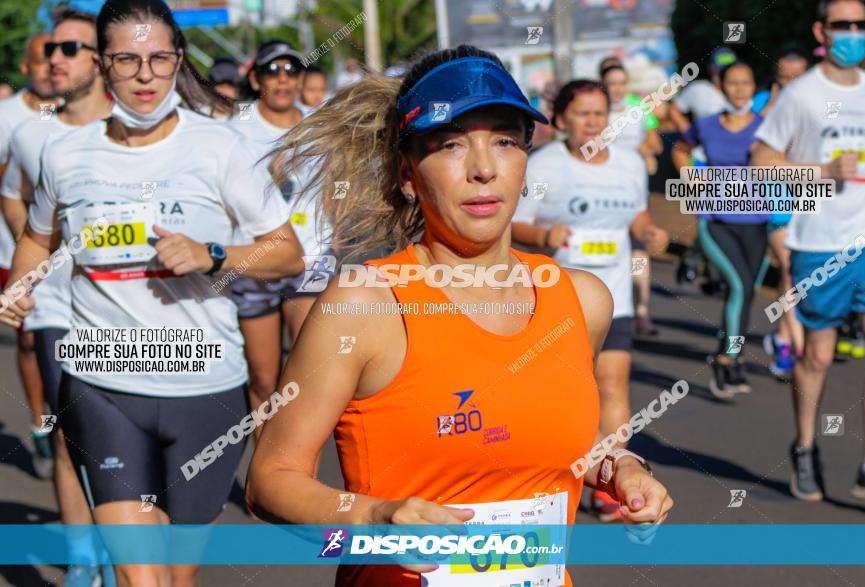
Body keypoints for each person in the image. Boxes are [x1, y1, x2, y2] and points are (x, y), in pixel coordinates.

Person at [247, 46, 673, 586]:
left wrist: (621, 468)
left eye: (503, 140)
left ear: (525, 158)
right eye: (450, 144)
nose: (483, 169)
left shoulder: (582, 298)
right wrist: (372, 518)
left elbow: (550, 437)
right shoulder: (365, 305)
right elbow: (269, 481)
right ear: (407, 171)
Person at [0, 1, 304, 585]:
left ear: (178, 61)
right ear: (103, 66)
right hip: (103, 381)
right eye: (127, 59)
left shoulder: (219, 147)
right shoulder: (63, 154)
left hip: (205, 386)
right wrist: (21, 283)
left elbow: (287, 250)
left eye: (159, 58)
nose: (145, 74)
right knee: (141, 579)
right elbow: (38, 239)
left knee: (177, 576)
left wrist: (213, 255)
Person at [511, 79, 669, 521]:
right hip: (560, 299)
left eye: (600, 113)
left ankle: (610, 481)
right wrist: (544, 235)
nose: (593, 123)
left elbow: (637, 214)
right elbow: (514, 222)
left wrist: (649, 232)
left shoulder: (629, 164)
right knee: (561, 393)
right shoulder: (542, 167)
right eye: (583, 114)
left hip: (614, 293)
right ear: (562, 119)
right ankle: (550, 473)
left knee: (613, 384)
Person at [0, 8, 115, 587]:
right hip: (58, 309)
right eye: (52, 50)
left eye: (71, 48)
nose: (55, 59)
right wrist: (37, 260)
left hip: (130, 311)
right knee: (72, 438)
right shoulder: (28, 130)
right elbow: (14, 199)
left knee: (129, 441)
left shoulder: (136, 123)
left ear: (100, 59)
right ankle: (82, 558)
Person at [751, 0, 865, 503]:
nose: (852, 33)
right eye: (842, 25)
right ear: (822, 30)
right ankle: (805, 446)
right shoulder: (802, 94)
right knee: (819, 358)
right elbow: (762, 161)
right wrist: (823, 173)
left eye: (860, 25)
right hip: (817, 243)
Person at [229, 39, 320, 417]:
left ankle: (297, 469)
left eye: (291, 70)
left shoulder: (320, 124)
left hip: (312, 256)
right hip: (258, 260)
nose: (282, 79)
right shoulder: (236, 129)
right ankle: (264, 470)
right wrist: (264, 174)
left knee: (308, 377)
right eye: (271, 70)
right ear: (255, 77)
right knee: (265, 381)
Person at [672, 62, 767, 399]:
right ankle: (730, 358)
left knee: (746, 291)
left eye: (746, 83)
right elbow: (680, 149)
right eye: (733, 83)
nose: (740, 89)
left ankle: (727, 350)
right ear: (721, 87)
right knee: (740, 287)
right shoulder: (708, 125)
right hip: (715, 221)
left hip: (757, 223)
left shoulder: (766, 127)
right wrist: (691, 178)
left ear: (754, 86)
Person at [0, 31, 58, 480]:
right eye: (41, 59)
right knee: (27, 339)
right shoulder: (6, 118)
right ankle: (42, 424)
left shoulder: (81, 116)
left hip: (75, 258)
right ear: (26, 67)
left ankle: (70, 431)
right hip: (12, 250)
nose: (50, 67)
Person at [756, 44, 810, 379]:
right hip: (775, 198)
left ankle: (780, 336)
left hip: (813, 197)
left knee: (798, 274)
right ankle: (794, 346)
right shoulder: (764, 103)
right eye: (783, 77)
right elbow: (748, 145)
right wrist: (772, 109)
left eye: (797, 78)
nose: (789, 83)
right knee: (788, 264)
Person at [599, 63, 664, 336]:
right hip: (602, 189)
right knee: (605, 250)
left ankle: (642, 312)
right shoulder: (595, 110)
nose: (617, 88)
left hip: (634, 189)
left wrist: (646, 152)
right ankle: (606, 313)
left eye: (621, 82)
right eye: (612, 83)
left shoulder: (639, 107)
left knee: (639, 250)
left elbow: (656, 143)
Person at [669, 48, 736, 134]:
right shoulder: (698, 88)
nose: (724, 76)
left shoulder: (742, 90)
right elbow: (674, 109)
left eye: (728, 72)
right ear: (710, 68)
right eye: (720, 72)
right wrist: (689, 134)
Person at [752, 43, 811, 116]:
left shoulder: (824, 97)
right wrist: (767, 110)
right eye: (785, 78)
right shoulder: (761, 100)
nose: (791, 84)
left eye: (797, 78)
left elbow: (829, 122)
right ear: (776, 76)